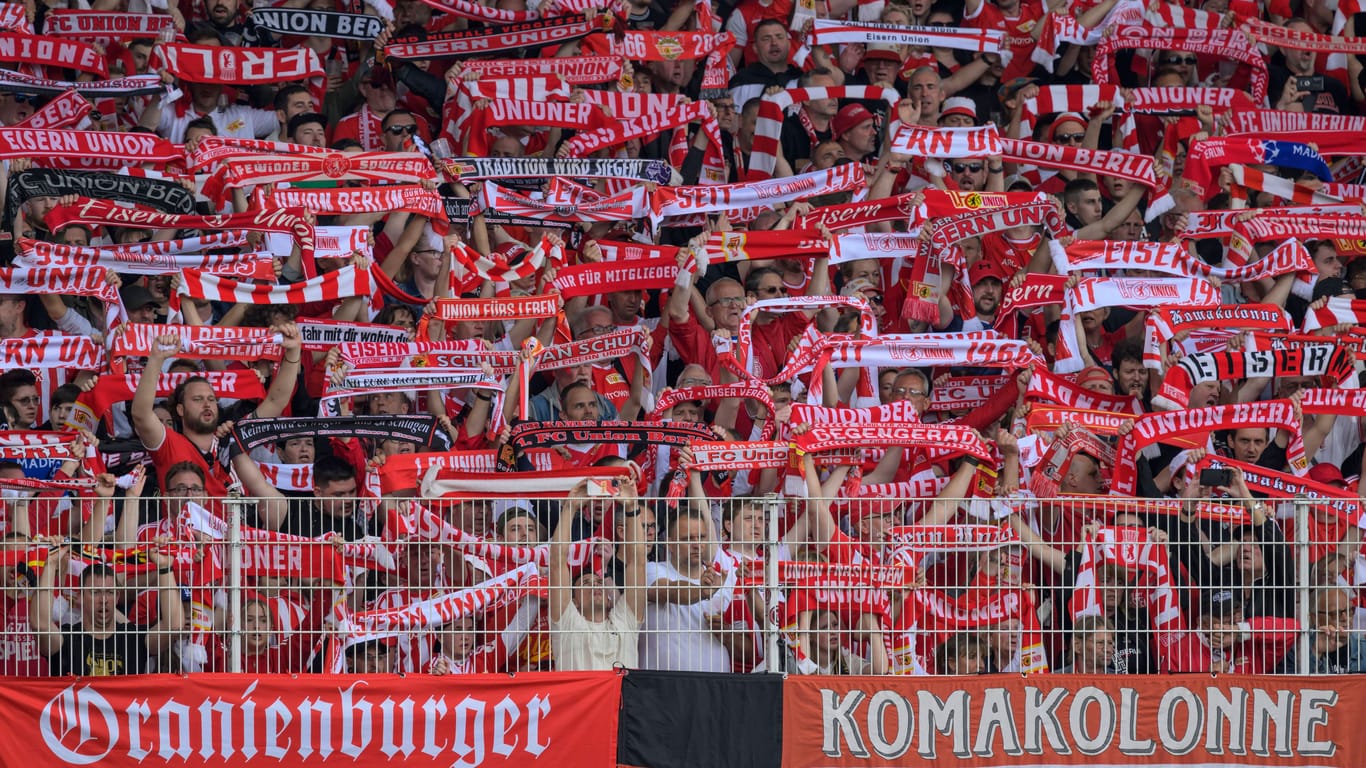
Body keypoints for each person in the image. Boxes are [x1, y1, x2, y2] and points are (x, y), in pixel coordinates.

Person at [550, 483, 648, 670]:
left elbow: (638, 562)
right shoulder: (567, 622)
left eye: (598, 582)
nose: (596, 585)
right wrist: (571, 507)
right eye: (586, 583)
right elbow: (556, 563)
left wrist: (632, 507)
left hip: (622, 700)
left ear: (611, 600)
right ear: (574, 602)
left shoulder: (625, 621)